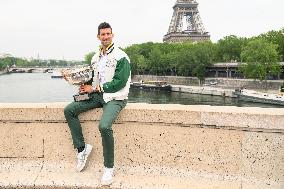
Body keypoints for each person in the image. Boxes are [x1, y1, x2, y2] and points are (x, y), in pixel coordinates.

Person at [63, 22, 131, 185]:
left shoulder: (122, 56)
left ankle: (109, 168)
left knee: (104, 126)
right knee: (69, 109)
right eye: (103, 34)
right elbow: (90, 79)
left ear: (112, 35)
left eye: (108, 34)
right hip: (98, 96)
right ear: (98, 37)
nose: (106, 36)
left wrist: (93, 88)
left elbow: (119, 83)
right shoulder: (95, 57)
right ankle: (82, 149)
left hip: (116, 98)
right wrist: (72, 79)